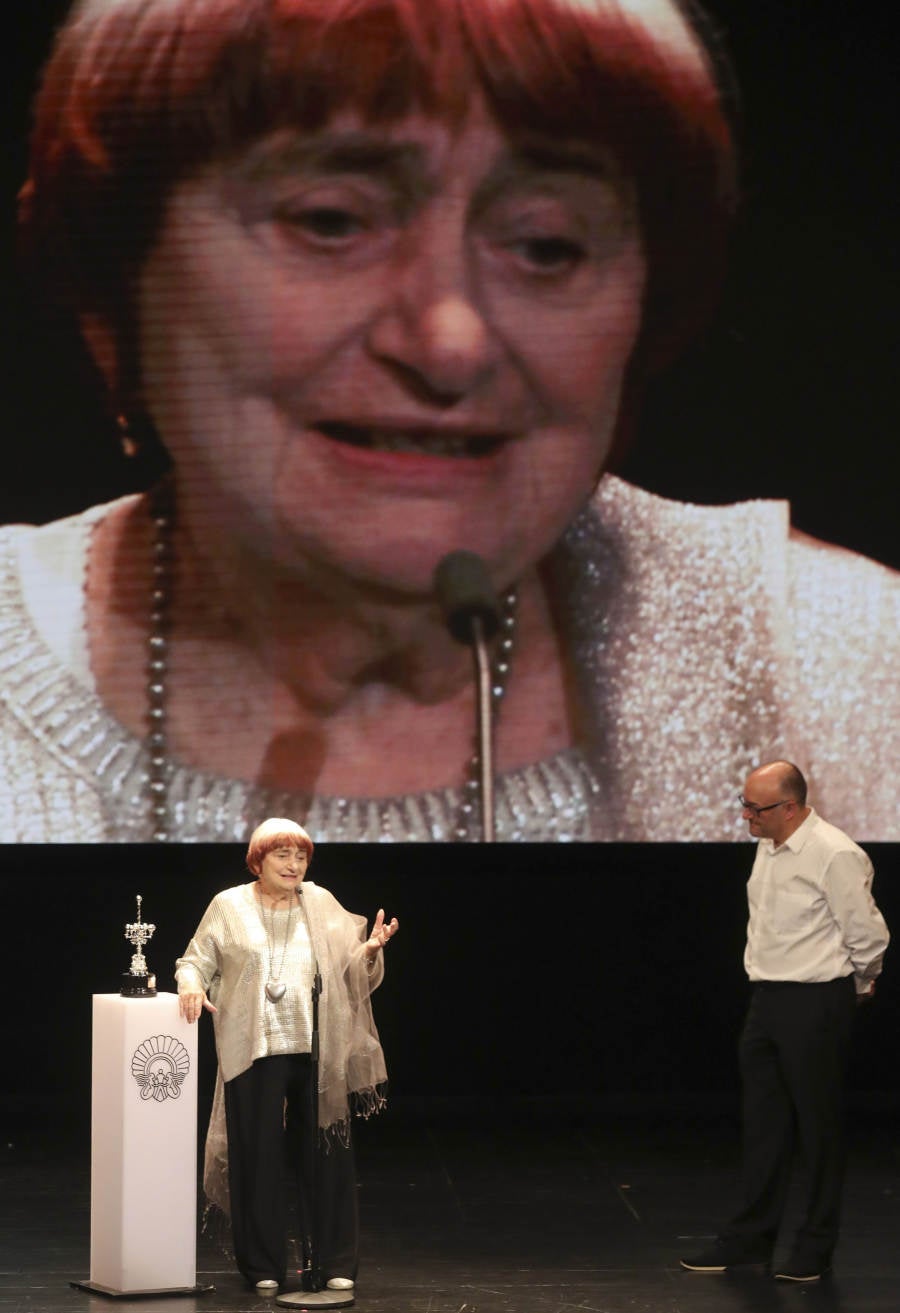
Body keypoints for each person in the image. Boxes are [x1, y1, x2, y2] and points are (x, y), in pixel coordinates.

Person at [1, 0, 898, 843]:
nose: (451, 339)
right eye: (331, 221)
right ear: (115, 284)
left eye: (546, 244)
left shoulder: (846, 670)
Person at [680, 760, 889, 1284]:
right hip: (767, 1000)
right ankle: (752, 1238)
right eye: (744, 804)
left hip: (816, 1000)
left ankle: (815, 1246)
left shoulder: (834, 852)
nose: (747, 815)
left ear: (790, 808)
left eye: (757, 807)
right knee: (765, 1126)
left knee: (817, 1127)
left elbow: (867, 934)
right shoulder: (768, 845)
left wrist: (859, 984)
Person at [176, 816, 398, 1295]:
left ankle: (335, 1260)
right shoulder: (228, 905)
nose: (294, 864)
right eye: (283, 855)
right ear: (258, 860)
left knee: (326, 1157)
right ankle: (263, 1265)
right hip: (252, 1048)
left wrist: (372, 951)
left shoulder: (318, 903)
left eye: (301, 856)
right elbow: (195, 960)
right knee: (257, 1157)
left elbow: (348, 967)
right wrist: (191, 985)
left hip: (316, 1046)